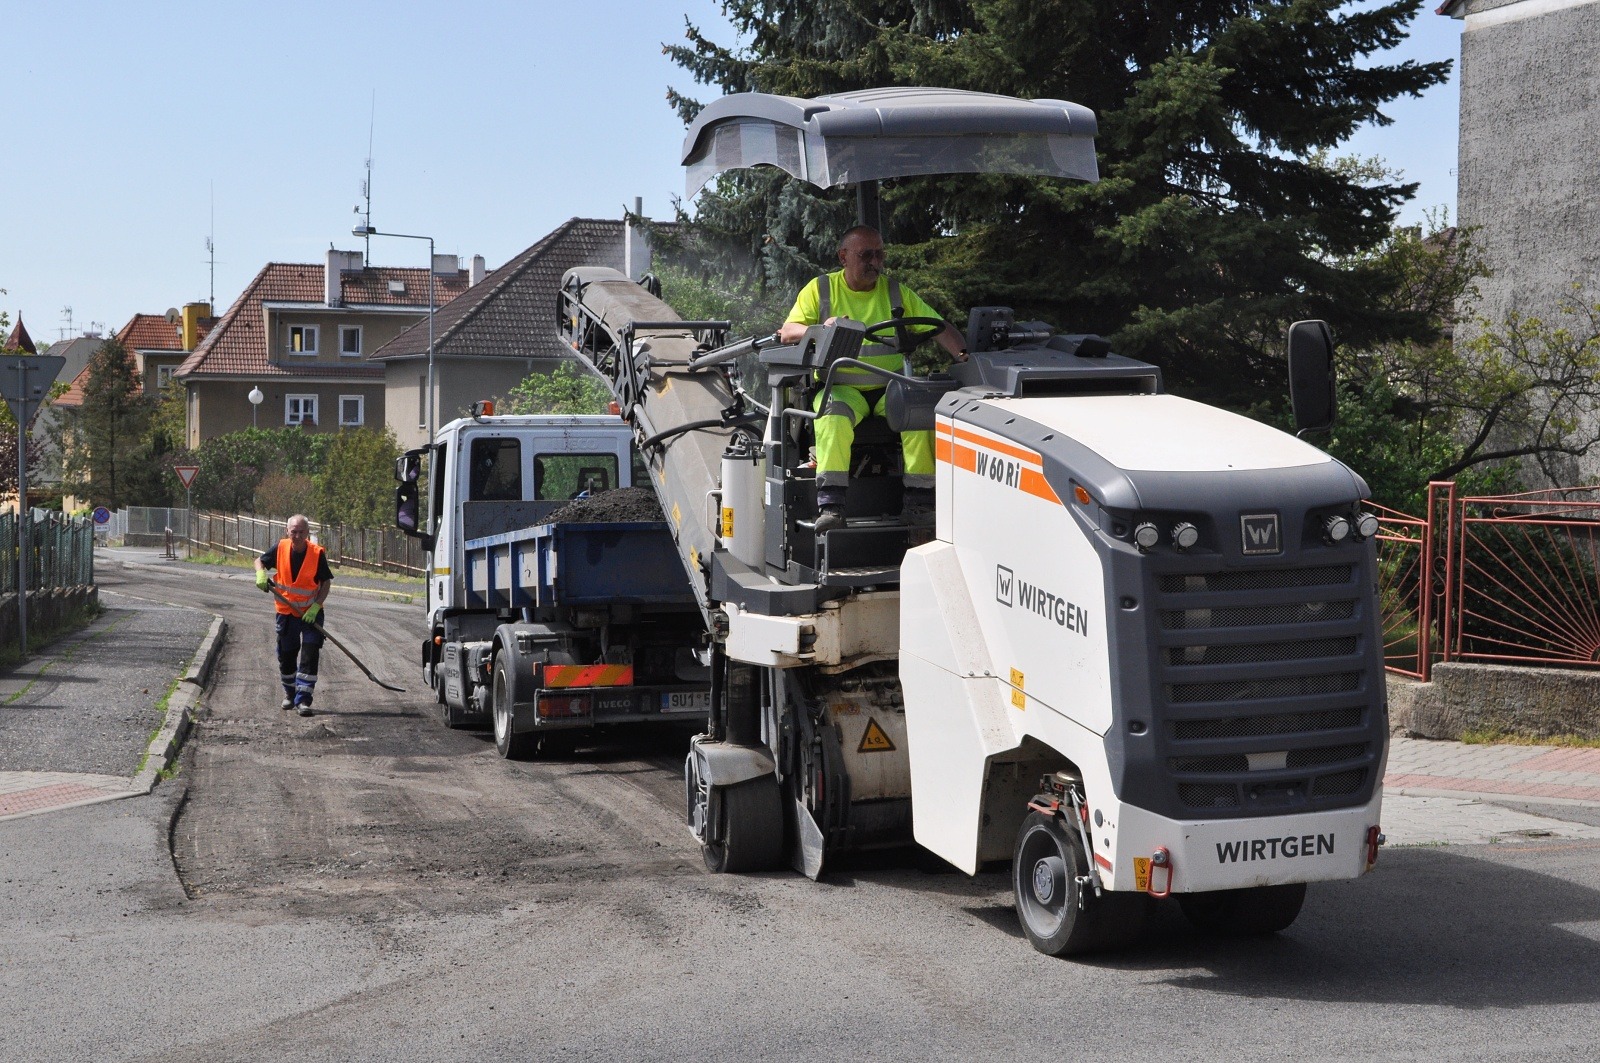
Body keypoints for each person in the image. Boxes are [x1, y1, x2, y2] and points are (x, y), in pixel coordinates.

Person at [777, 225, 968, 533]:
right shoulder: (821, 289)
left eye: (879, 254)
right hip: (841, 389)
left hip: (888, 388)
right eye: (866, 255)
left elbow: (938, 326)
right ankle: (832, 506)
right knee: (833, 417)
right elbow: (788, 332)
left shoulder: (895, 292)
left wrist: (965, 358)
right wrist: (823, 328)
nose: (875, 262)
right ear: (843, 257)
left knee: (918, 413)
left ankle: (920, 503)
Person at [254, 514, 333, 717]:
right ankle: (290, 694)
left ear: (307, 533)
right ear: (287, 532)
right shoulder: (280, 548)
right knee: (287, 655)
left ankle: (304, 700)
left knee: (310, 653)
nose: (297, 536)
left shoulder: (316, 554)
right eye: (293, 531)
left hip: (310, 614)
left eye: (301, 532)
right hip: (287, 613)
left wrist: (316, 606)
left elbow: (325, 583)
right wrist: (260, 574)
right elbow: (259, 561)